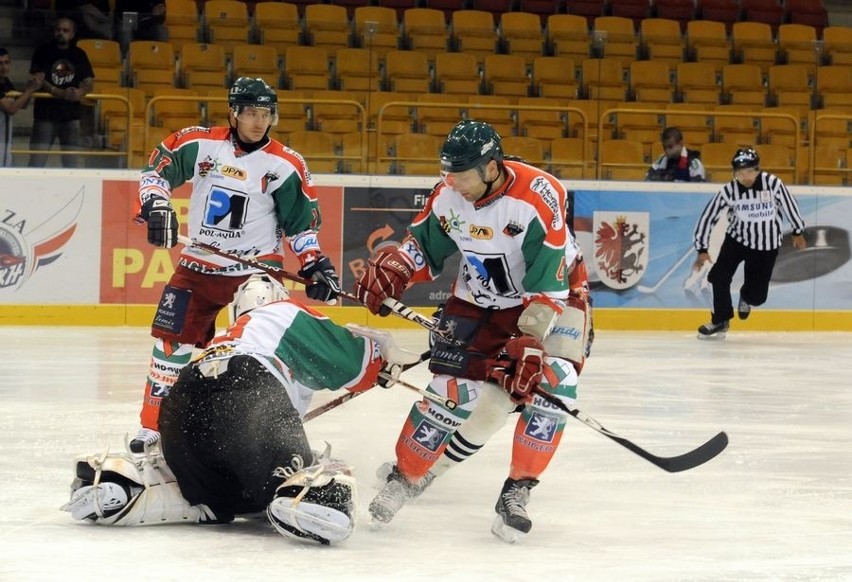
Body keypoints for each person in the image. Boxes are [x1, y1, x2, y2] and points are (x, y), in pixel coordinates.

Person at [354, 119, 593, 542]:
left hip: (554, 296)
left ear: (490, 167)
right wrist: (398, 266)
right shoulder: (449, 193)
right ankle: (405, 477)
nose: (454, 184)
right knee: (451, 392)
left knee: (555, 385)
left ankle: (517, 490)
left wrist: (530, 341)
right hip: (479, 298)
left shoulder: (538, 196)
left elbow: (549, 282)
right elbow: (423, 245)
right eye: (449, 174)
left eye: (462, 175)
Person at [63, 276, 422, 544]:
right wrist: (384, 360)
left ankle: (132, 485)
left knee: (216, 493)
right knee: (318, 483)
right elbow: (351, 360)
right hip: (246, 391)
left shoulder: (233, 334)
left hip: (182, 405)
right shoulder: (283, 313)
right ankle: (302, 498)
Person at [128, 76, 341, 454]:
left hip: (256, 271)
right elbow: (155, 173)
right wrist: (158, 205)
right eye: (251, 113)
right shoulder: (200, 143)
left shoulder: (285, 164)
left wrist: (313, 261)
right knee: (170, 342)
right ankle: (153, 427)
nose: (259, 122)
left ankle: (268, 430)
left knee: (262, 350)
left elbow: (299, 224)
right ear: (234, 113)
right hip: (201, 264)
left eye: (266, 114)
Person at [692, 147, 807, 339]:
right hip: (737, 241)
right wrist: (702, 248)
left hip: (766, 246)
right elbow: (708, 217)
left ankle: (746, 296)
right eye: (740, 173)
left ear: (758, 169)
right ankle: (720, 320)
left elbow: (790, 204)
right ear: (734, 174)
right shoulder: (729, 191)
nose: (745, 177)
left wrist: (797, 230)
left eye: (750, 172)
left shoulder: (773, 184)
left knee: (758, 297)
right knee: (717, 277)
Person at [28, 17, 94, 168]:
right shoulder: (42, 51)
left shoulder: (79, 54)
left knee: (71, 164)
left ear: (72, 34)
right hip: (45, 114)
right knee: (37, 161)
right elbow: (38, 78)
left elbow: (89, 82)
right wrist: (59, 92)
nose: (61, 33)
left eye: (65, 30)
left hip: (71, 116)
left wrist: (80, 91)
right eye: (58, 30)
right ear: (53, 31)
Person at [0, 48, 42, 167]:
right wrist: (30, 90)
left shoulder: (6, 82)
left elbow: (21, 105)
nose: (4, 67)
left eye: (6, 62)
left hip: (5, 137)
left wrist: (30, 87)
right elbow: (11, 109)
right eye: (0, 63)